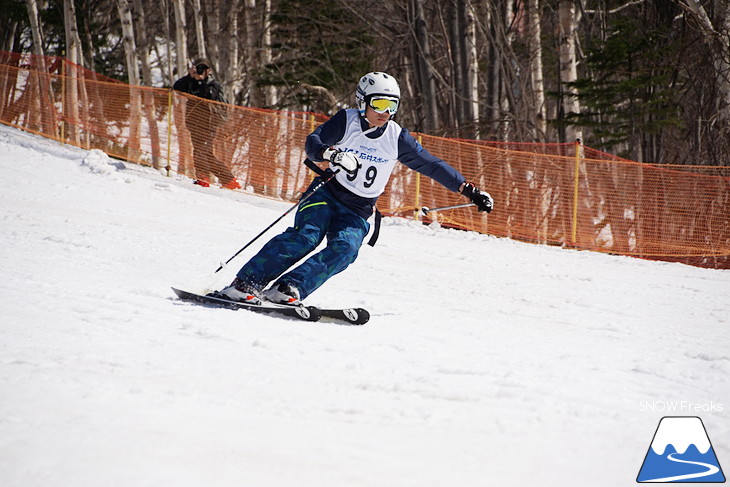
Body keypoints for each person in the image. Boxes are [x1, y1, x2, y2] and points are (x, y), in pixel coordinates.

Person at [216, 71, 493, 305]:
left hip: (358, 210)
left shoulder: (397, 137)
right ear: (363, 101)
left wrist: (468, 189)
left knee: (346, 249)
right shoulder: (347, 121)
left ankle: (288, 288)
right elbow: (314, 143)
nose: (386, 113)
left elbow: (430, 164)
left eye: (392, 106)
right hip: (325, 193)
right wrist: (330, 155)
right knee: (307, 236)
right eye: (380, 104)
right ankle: (245, 284)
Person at [173, 58, 240, 189]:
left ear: (208, 71)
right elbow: (177, 87)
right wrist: (189, 77)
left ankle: (202, 178)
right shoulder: (190, 82)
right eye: (197, 68)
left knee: (200, 151)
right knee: (206, 154)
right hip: (194, 123)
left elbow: (207, 96)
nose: (199, 72)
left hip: (209, 124)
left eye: (201, 69)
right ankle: (229, 181)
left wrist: (201, 80)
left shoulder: (213, 85)